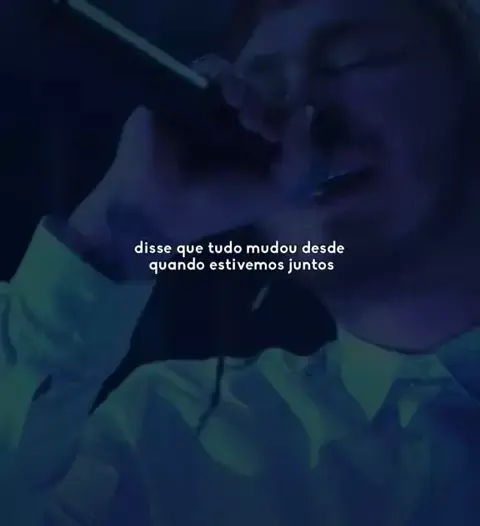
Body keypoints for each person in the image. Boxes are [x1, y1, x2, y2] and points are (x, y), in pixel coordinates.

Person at [1, 0, 480, 524]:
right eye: (266, 90)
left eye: (354, 60)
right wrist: (122, 229)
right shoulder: (168, 436)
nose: (301, 114)